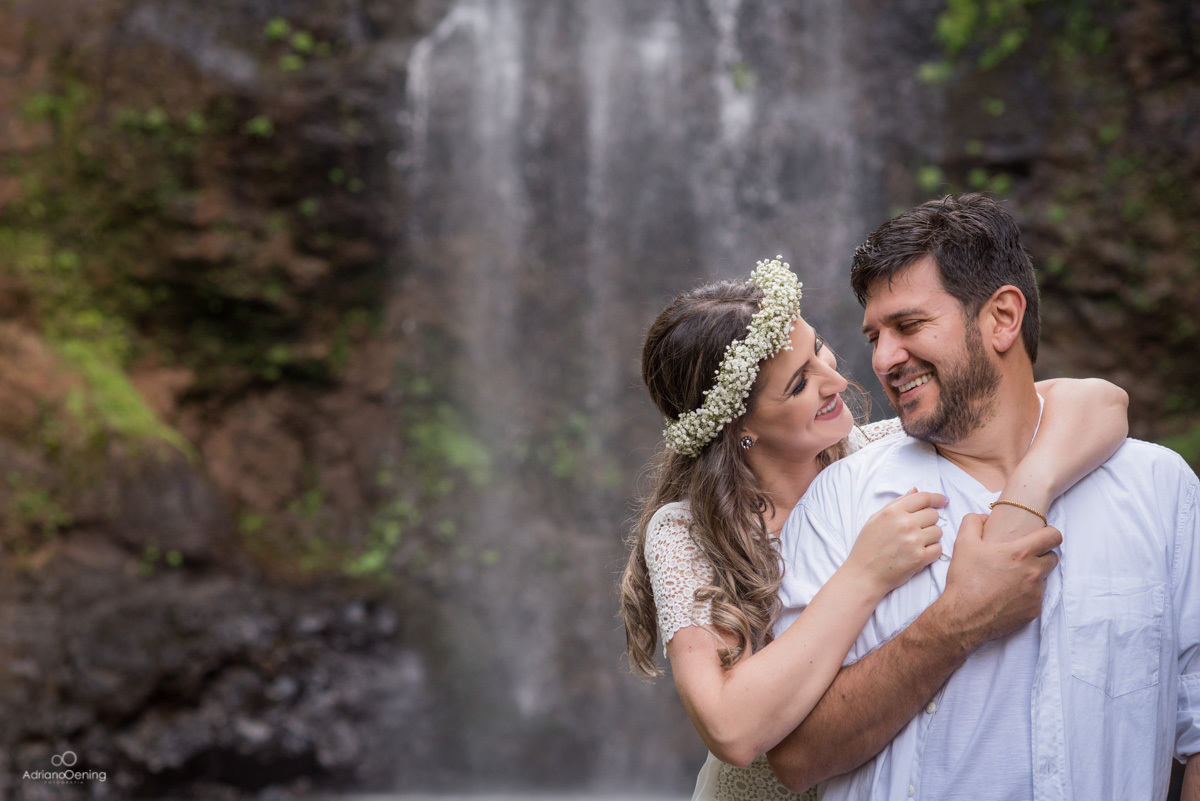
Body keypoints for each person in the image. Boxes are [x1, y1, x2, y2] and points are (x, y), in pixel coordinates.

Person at [619, 256, 1129, 800]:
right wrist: (864, 574)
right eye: (799, 383)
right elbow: (732, 730)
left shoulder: (886, 451)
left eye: (817, 348)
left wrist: (1027, 495)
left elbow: (1099, 401)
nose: (837, 377)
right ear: (740, 428)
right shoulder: (687, 532)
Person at [766, 193, 1200, 800]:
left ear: (1002, 317)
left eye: (909, 326)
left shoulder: (1161, 489)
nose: (883, 358)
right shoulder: (838, 502)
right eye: (874, 335)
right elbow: (795, 756)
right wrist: (954, 623)